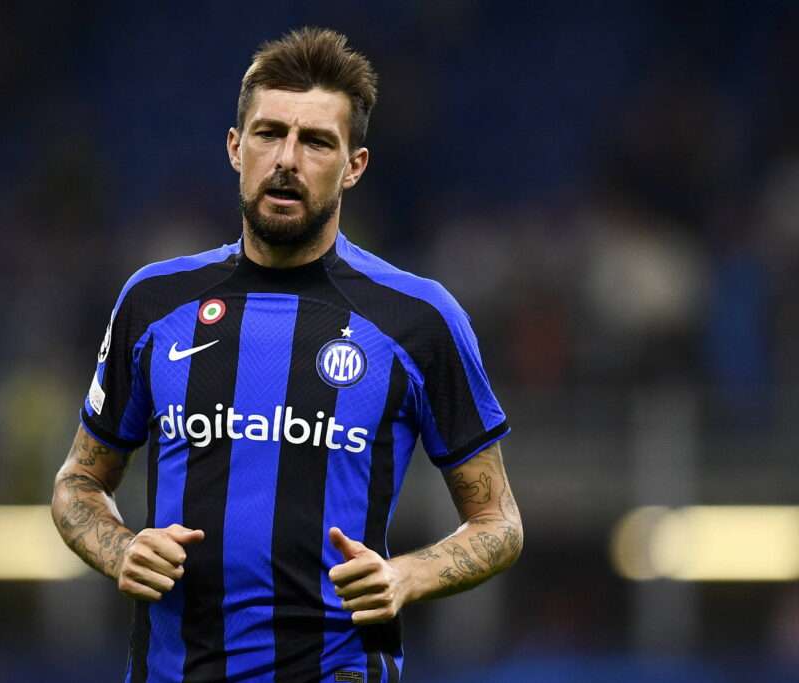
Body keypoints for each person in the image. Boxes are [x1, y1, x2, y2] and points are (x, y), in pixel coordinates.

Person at [50, 26, 522, 683]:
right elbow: (77, 483)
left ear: (354, 165)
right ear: (235, 147)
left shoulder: (419, 318)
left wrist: (406, 575)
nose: (287, 159)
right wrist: (122, 549)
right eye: (269, 134)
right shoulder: (154, 302)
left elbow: (498, 522)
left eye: (317, 141)